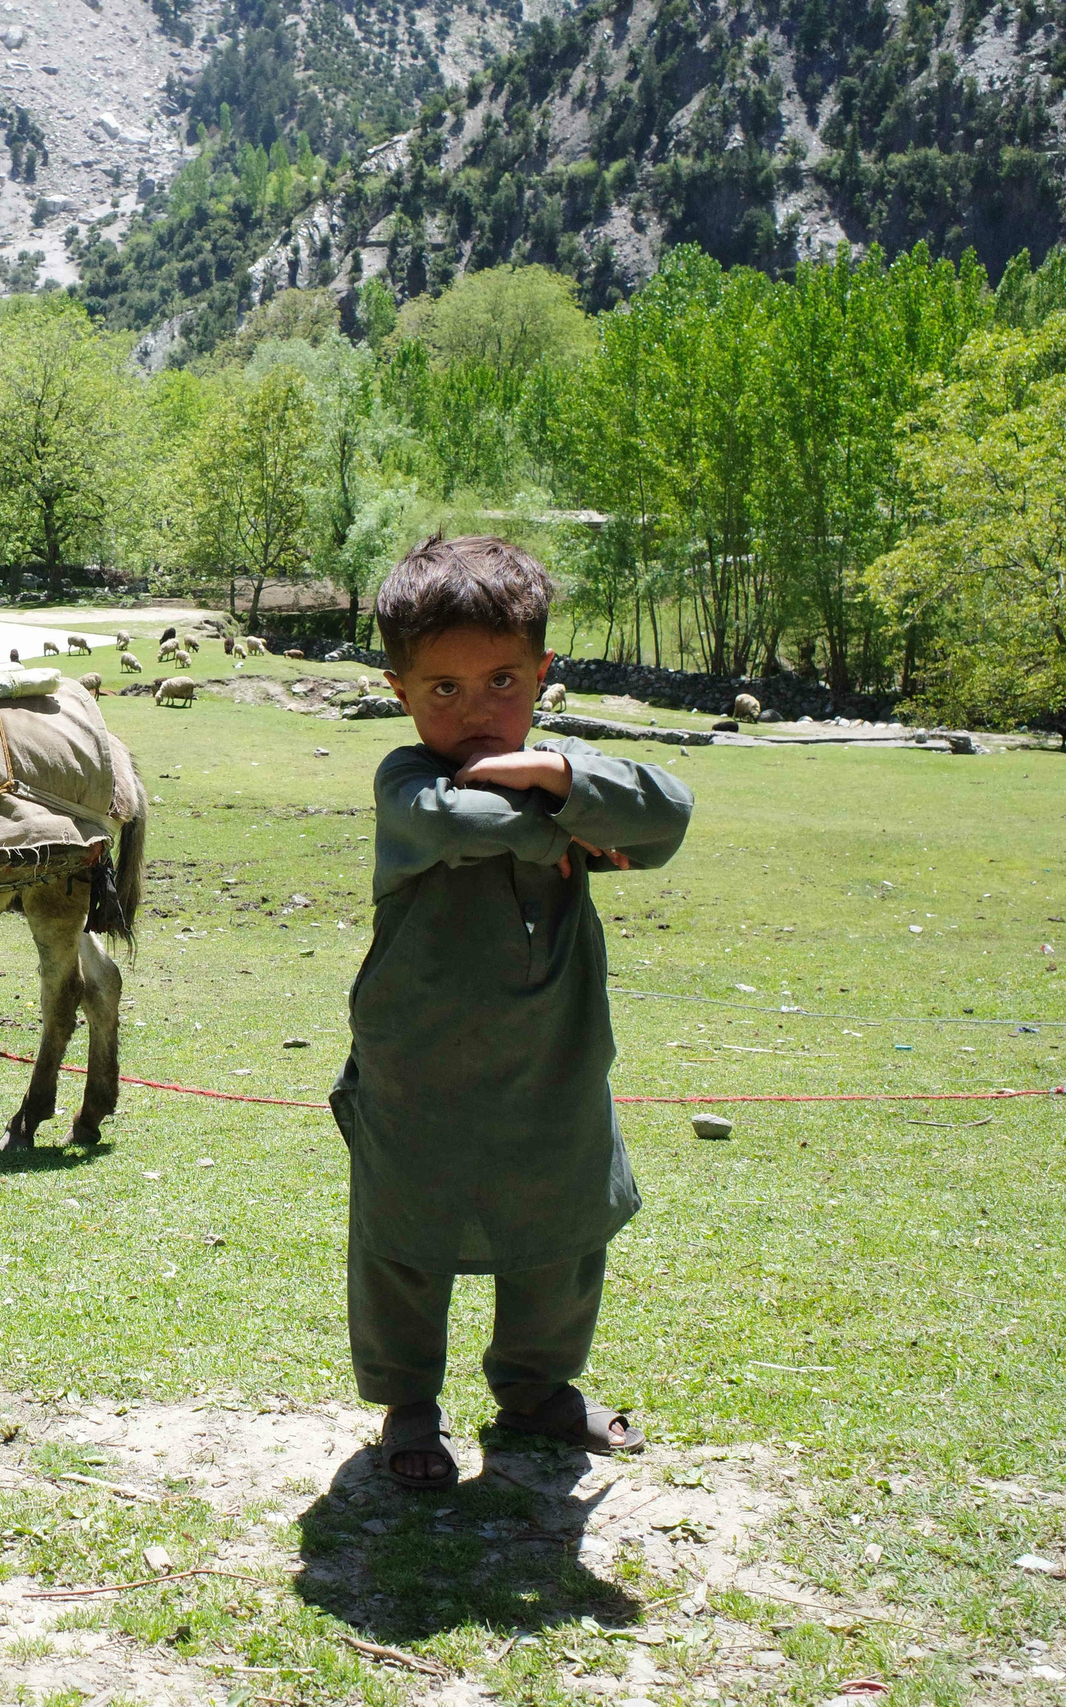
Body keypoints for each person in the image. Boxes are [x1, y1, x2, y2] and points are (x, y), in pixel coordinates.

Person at [331, 535, 694, 1489]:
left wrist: (569, 785)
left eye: (502, 681)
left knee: (563, 1239)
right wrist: (567, 820)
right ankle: (410, 1406)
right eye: (442, 689)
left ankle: (537, 1392)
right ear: (401, 691)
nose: (477, 713)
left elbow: (671, 816)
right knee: (405, 1244)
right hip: (418, 1071)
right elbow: (455, 821)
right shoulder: (405, 779)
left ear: (542, 675)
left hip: (556, 1064)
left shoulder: (566, 771)